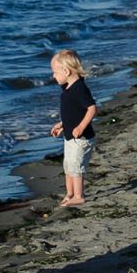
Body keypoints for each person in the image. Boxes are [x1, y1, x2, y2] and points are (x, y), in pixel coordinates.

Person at [48, 48, 98, 206]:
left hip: (81, 137)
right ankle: (70, 194)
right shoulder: (67, 89)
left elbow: (91, 108)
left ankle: (79, 195)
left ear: (66, 71)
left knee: (76, 166)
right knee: (68, 165)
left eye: (55, 72)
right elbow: (73, 112)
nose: (53, 76)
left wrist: (81, 127)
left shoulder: (80, 89)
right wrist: (62, 124)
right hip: (70, 136)